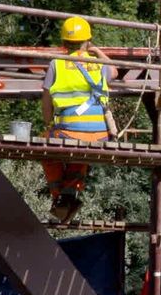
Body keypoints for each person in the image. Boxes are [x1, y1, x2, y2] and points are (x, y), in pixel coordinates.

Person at [41, 16, 117, 223]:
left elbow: (46, 103)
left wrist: (49, 125)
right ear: (88, 41)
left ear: (64, 43)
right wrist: (97, 51)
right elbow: (115, 71)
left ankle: (60, 197)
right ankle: (67, 196)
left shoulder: (57, 64)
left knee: (46, 147)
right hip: (101, 136)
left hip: (69, 131)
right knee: (81, 152)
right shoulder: (99, 63)